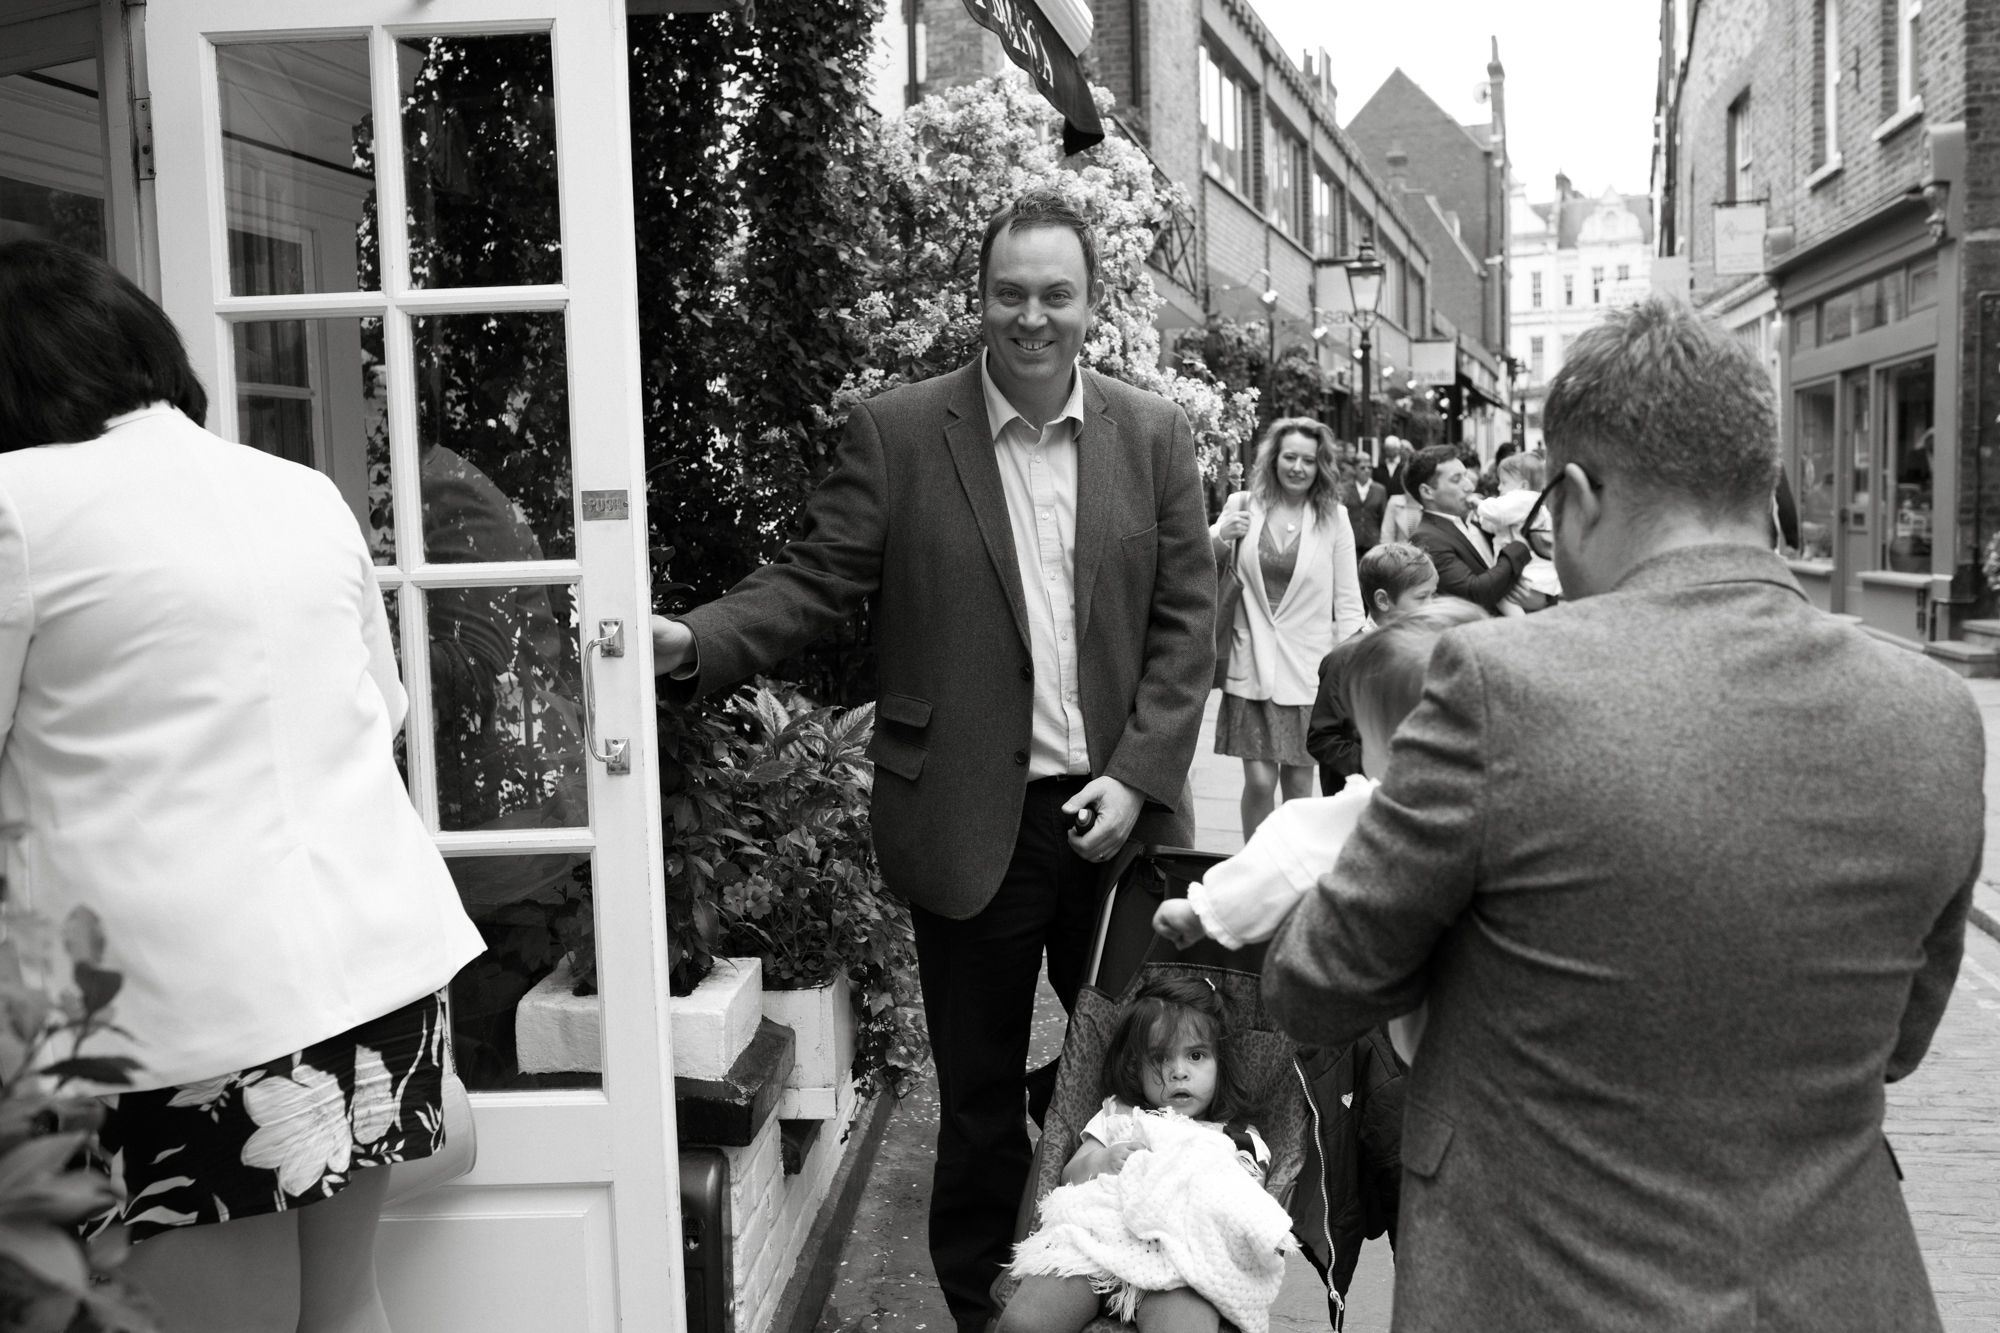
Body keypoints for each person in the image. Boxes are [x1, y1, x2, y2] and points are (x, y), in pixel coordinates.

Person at [1261, 297, 1986, 1331]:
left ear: (1580, 492)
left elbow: (1317, 984)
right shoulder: (1934, 714)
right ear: (1758, 483)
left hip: (1542, 1284)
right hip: (1834, 1289)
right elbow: (1897, 1042)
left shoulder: (1495, 685)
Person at [650, 189, 1214, 1333]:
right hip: (971, 824)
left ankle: (1143, 1287)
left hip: (1116, 827)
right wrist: (697, 642)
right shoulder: (899, 435)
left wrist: (1140, 769)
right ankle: (984, 1310)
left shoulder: (1151, 436)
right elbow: (812, 583)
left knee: (1147, 1082)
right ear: (979, 299)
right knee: (976, 1113)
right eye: (1009, 293)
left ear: (1091, 305)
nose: (1031, 317)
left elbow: (1186, 622)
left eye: (1056, 294)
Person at [0, 238, 484, 1331]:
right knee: (345, 1309)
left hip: (171, 1006)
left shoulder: (16, 504)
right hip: (371, 968)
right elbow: (383, 712)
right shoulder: (296, 488)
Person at [1002, 976, 1287, 1333]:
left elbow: (1245, 1205)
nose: (1179, 1071)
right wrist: (1102, 1161)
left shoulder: (1236, 1139)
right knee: (1022, 1324)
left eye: (1196, 1056)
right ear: (1136, 1067)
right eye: (1160, 1059)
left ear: (1220, 1063)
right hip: (1098, 1245)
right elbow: (1069, 1176)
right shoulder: (1120, 1115)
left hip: (1183, 1261)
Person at [1211, 418, 1365, 839]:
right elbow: (1196, 560)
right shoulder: (1243, 503)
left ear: (1321, 467)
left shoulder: (1334, 518)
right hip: (1251, 659)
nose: (1298, 467)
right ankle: (1253, 870)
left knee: (1299, 788)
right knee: (1260, 782)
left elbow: (1349, 599)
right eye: (1290, 456)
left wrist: (1353, 667)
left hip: (1307, 671)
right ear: (1274, 458)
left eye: (1308, 460)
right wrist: (1221, 535)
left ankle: (1288, 874)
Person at [1304, 543, 1439, 796]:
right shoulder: (1345, 659)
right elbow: (1323, 739)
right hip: (1360, 798)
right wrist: (1380, 766)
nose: (1432, 606)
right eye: (1422, 597)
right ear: (1383, 600)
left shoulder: (1427, 648)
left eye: (1434, 595)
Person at [1403, 444, 1530, 613]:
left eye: (1466, 476)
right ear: (1427, 492)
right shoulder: (1426, 538)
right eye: (1457, 479)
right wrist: (1519, 546)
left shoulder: (1476, 521)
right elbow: (1474, 593)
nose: (1469, 486)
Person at [1470, 451, 1560, 615]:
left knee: (1499, 596)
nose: (1499, 487)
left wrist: (1478, 504)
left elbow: (1497, 511)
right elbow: (1493, 524)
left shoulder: (1524, 499)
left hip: (1531, 578)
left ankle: (1520, 625)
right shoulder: (1529, 505)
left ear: (1523, 485)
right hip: (1538, 580)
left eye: (1504, 482)